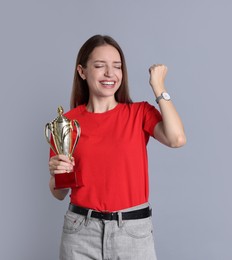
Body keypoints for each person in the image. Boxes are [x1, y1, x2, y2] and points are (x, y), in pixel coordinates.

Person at [48, 34, 186, 260]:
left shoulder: (139, 113)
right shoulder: (67, 124)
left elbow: (177, 138)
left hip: (132, 232)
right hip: (80, 233)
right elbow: (58, 192)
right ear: (82, 72)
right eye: (100, 66)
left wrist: (159, 86)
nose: (110, 74)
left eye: (117, 66)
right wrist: (58, 174)